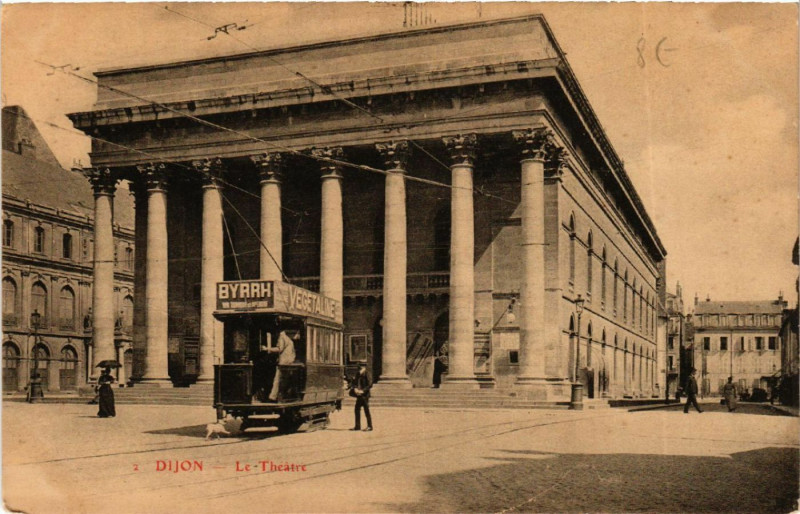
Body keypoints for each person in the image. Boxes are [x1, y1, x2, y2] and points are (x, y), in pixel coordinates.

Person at [267, 331, 296, 402]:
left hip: (283, 363)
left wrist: (267, 349)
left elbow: (280, 349)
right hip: (288, 362)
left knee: (277, 380)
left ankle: (273, 397)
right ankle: (279, 396)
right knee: (283, 380)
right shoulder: (288, 339)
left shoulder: (282, 337)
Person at [351, 363, 373, 431]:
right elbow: (354, 383)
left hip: (364, 395)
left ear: (364, 367)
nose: (360, 367)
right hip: (359, 395)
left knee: (366, 410)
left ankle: (370, 426)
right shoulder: (358, 374)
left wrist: (363, 391)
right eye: (359, 366)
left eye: (362, 366)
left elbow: (370, 384)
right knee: (356, 409)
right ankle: (357, 426)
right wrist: (355, 388)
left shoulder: (367, 373)